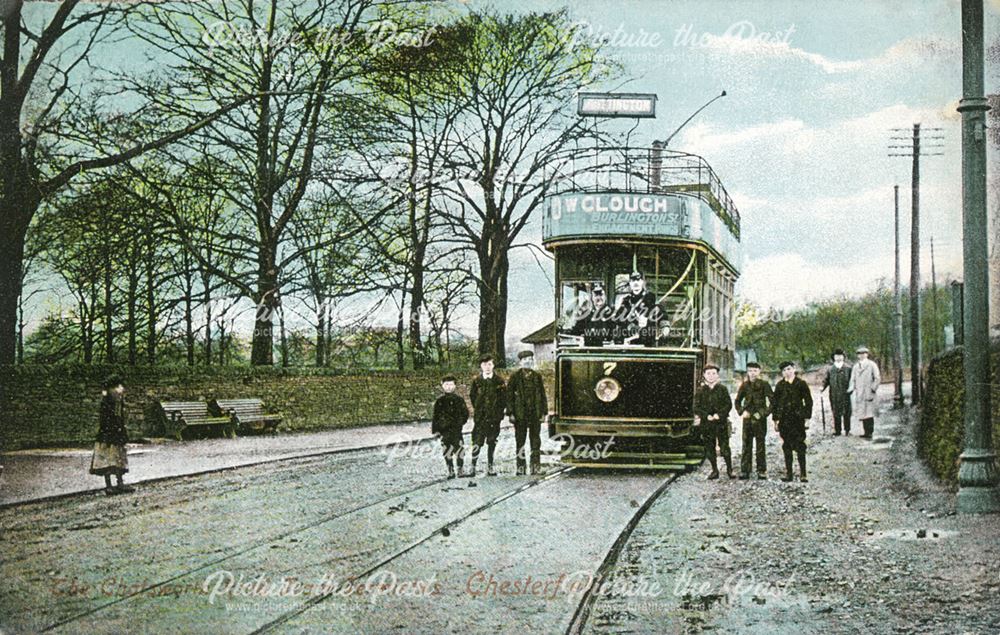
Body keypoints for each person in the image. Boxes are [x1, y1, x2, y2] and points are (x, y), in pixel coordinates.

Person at [90, 375, 135, 495]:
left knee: (118, 457)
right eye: (119, 386)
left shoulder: (119, 402)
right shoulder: (108, 403)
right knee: (108, 458)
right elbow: (106, 420)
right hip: (108, 435)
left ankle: (120, 482)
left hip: (117, 433)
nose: (122, 389)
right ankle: (109, 485)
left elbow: (120, 418)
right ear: (113, 389)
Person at [506, 350, 548, 475]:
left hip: (534, 414)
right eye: (525, 360)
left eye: (530, 360)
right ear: (520, 362)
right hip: (520, 415)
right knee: (520, 441)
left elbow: (542, 395)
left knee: (535, 441)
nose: (528, 362)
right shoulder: (515, 377)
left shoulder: (537, 376)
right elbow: (509, 397)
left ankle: (535, 467)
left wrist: (543, 413)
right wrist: (511, 413)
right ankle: (520, 467)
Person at [772, 361, 812, 482]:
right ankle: (789, 473)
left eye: (789, 369)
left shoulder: (801, 384)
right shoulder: (780, 385)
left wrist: (807, 418)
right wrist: (776, 420)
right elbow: (775, 404)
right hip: (785, 420)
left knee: (800, 445)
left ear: (794, 369)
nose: (787, 372)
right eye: (784, 370)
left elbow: (808, 402)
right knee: (787, 446)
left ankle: (803, 473)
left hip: (798, 420)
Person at [694, 364, 733, 479]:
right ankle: (714, 470)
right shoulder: (700, 390)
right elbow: (696, 407)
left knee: (724, 447)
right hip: (707, 424)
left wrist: (719, 415)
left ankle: (729, 469)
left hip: (720, 423)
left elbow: (728, 405)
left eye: (713, 373)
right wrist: (706, 416)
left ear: (717, 375)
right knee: (709, 447)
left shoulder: (722, 389)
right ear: (704, 375)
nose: (711, 376)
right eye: (708, 373)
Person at [734, 361, 773, 479]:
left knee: (760, 444)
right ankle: (745, 470)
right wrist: (742, 411)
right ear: (747, 372)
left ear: (759, 372)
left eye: (755, 371)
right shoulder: (744, 385)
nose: (753, 373)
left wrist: (762, 414)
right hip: (747, 418)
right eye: (750, 371)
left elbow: (772, 402)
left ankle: (761, 470)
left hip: (759, 419)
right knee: (746, 444)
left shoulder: (765, 384)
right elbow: (737, 401)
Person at [469, 354, 506, 476]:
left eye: (489, 364)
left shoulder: (499, 381)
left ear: (493, 365)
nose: (487, 367)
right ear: (481, 366)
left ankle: (490, 467)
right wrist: (479, 409)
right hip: (480, 418)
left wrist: (498, 413)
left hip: (494, 418)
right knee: (477, 442)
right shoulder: (477, 381)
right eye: (484, 365)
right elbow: (473, 396)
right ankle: (472, 467)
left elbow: (503, 399)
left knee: (492, 441)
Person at [432, 374, 469, 479]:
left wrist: (460, 422)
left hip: (456, 430)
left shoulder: (459, 400)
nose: (449, 387)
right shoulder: (440, 401)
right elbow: (436, 417)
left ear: (455, 386)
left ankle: (460, 470)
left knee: (459, 450)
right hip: (445, 431)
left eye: (451, 384)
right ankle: (450, 471)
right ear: (442, 386)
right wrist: (436, 430)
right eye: (446, 384)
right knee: (447, 451)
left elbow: (465, 413)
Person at [615, 271, 658, 346]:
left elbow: (658, 316)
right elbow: (618, 321)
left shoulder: (650, 298)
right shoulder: (626, 301)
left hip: (646, 343)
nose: (636, 283)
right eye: (633, 280)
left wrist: (647, 319)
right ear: (630, 283)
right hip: (629, 343)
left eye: (638, 280)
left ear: (642, 282)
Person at [848, 346, 881, 438]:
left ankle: (870, 432)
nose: (862, 356)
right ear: (858, 356)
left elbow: (877, 378)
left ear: (867, 354)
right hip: (860, 393)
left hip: (869, 392)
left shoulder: (872, 365)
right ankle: (865, 431)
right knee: (862, 413)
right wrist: (851, 389)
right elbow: (852, 379)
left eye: (864, 353)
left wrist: (873, 388)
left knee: (869, 413)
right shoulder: (855, 367)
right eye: (860, 354)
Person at [822, 348, 853, 436]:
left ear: (843, 357)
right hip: (834, 394)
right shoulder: (830, 369)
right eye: (836, 356)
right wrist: (822, 387)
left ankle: (847, 430)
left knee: (847, 412)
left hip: (846, 393)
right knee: (836, 412)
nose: (838, 357)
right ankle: (838, 430)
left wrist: (852, 389)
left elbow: (852, 380)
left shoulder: (848, 368)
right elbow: (826, 380)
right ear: (834, 357)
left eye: (840, 356)